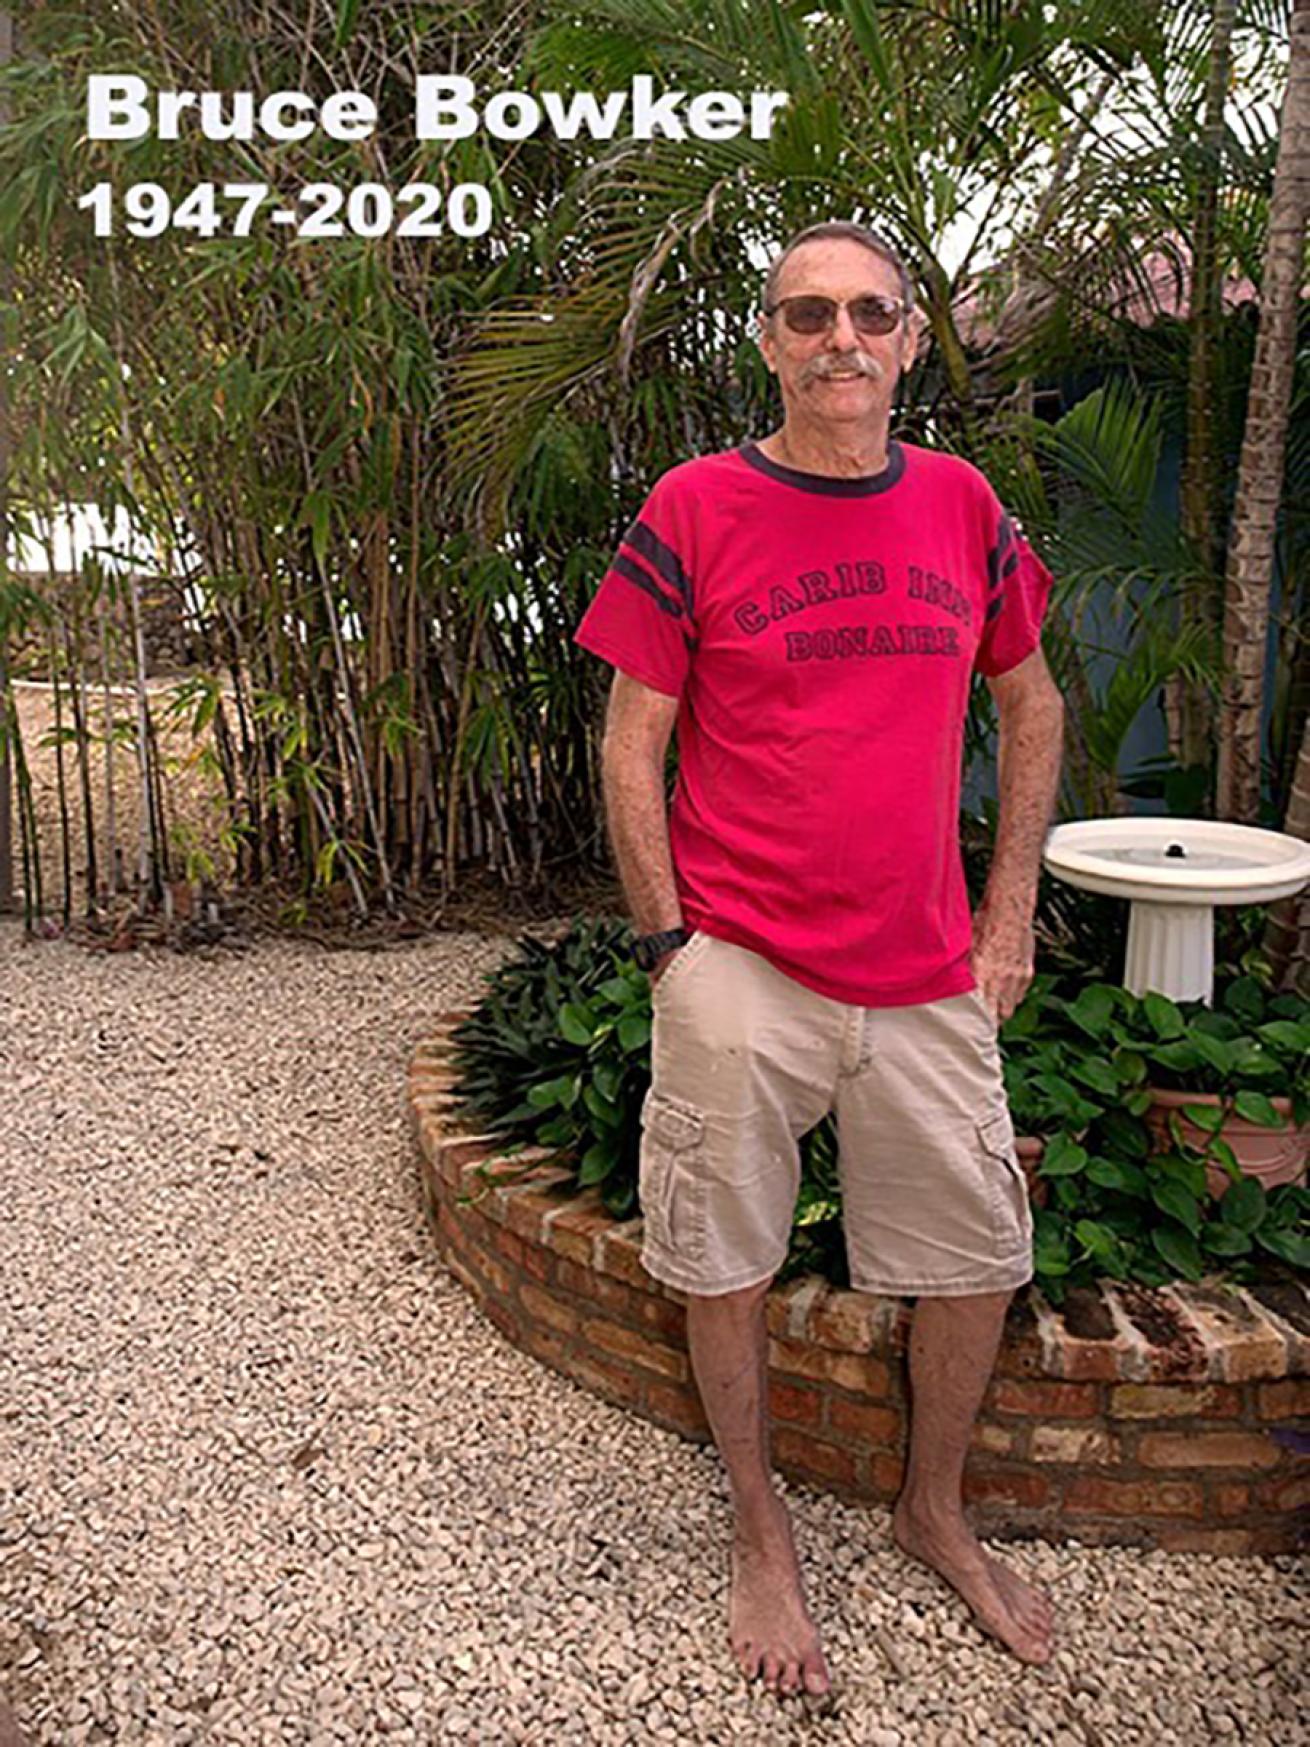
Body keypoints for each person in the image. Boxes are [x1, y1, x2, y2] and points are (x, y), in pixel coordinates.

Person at [572, 219, 1065, 1697]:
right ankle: (758, 1527)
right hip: (741, 962)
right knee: (723, 1257)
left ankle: (930, 1509)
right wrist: (671, 946)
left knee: (976, 1251)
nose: (837, 339)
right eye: (805, 316)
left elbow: (1031, 709)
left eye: (867, 313)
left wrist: (1007, 918)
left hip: (923, 970)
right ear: (769, 344)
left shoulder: (965, 504)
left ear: (911, 340)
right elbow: (631, 739)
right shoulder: (696, 506)